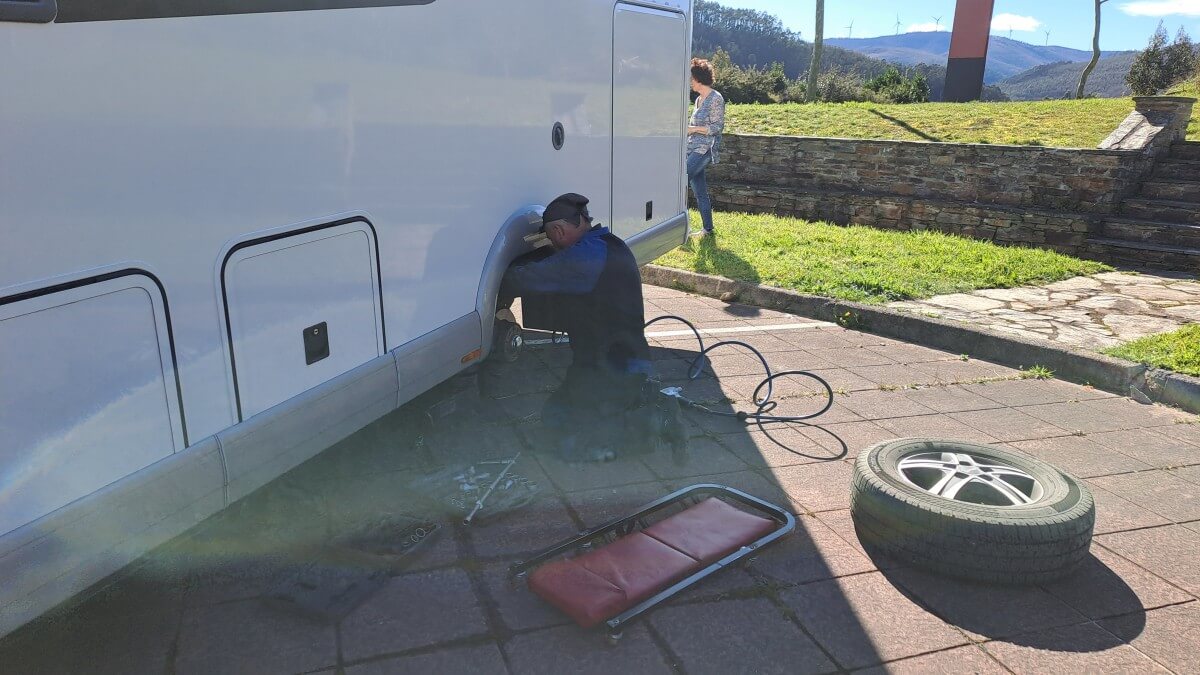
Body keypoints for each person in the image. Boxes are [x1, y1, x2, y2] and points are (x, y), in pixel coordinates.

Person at [500, 193, 684, 463]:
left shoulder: (587, 256)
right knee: (555, 417)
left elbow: (526, 279)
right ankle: (631, 401)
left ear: (559, 231)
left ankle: (656, 420)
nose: (553, 245)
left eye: (551, 238)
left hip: (612, 367)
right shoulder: (608, 244)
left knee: (570, 442)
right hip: (615, 359)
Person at [687, 57, 726, 236]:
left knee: (680, 182)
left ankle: (681, 227)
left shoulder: (716, 98)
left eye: (691, 79)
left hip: (704, 150)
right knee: (700, 191)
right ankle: (708, 229)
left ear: (698, 79)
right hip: (692, 148)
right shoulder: (698, 100)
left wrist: (694, 129)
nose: (690, 82)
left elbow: (717, 127)